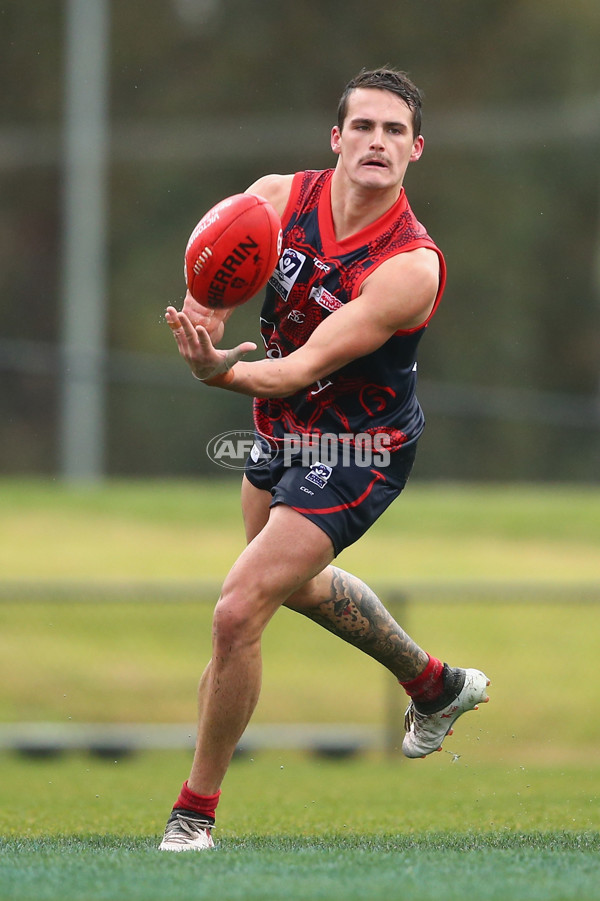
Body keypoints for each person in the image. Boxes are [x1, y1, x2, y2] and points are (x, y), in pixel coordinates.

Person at [159, 67, 490, 852]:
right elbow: (210, 282)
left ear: (416, 150)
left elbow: (298, 366)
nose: (378, 142)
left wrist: (221, 372)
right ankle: (433, 683)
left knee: (238, 609)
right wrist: (204, 318)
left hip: (359, 446)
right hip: (279, 427)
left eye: (394, 132)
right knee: (291, 587)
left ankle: (192, 814)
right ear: (336, 139)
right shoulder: (273, 200)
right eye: (364, 127)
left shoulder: (412, 265)